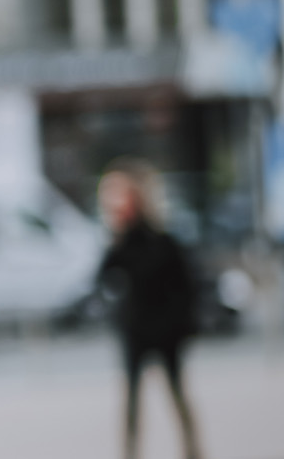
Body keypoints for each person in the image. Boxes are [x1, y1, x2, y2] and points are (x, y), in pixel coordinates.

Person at [97, 158, 202, 459]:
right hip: (135, 330)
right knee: (131, 398)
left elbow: (184, 286)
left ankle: (193, 450)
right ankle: (130, 453)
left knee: (176, 392)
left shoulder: (161, 240)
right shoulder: (120, 242)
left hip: (166, 330)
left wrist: (183, 325)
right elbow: (102, 278)